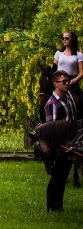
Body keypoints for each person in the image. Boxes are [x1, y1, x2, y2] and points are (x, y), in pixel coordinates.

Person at [43, 70, 77, 213]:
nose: (67, 83)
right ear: (55, 84)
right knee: (56, 177)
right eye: (64, 81)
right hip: (58, 146)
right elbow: (53, 128)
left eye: (68, 81)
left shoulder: (68, 99)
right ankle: (51, 207)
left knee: (63, 177)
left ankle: (59, 206)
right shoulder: (52, 103)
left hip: (69, 144)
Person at [54, 30, 83, 102]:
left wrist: (74, 81)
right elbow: (54, 69)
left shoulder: (79, 55)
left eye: (67, 38)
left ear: (72, 39)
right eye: (63, 38)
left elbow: (82, 72)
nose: (64, 40)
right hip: (59, 81)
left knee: (81, 100)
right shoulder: (58, 53)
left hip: (72, 82)